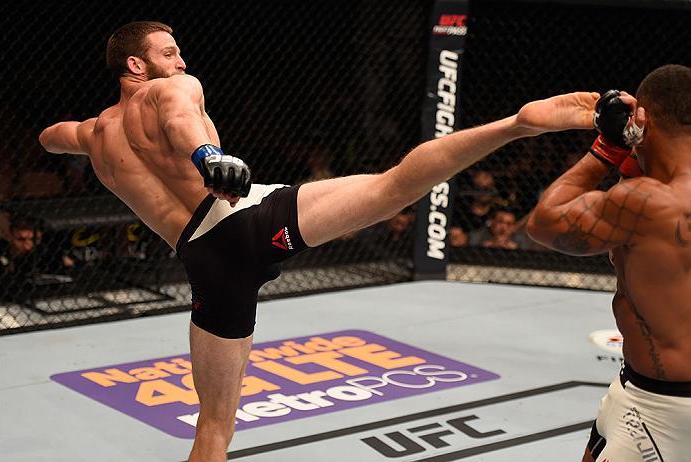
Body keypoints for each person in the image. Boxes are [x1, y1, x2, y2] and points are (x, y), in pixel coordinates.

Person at [38, 21, 599, 461]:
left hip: (205, 262)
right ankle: (517, 125)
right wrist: (208, 156)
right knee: (393, 187)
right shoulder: (172, 90)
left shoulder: (94, 134)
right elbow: (183, 117)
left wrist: (79, 138)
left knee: (214, 427)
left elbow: (50, 138)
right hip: (238, 222)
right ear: (137, 64)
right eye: (169, 52)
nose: (181, 61)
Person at [526, 64, 691, 461]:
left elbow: (544, 222)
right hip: (640, 387)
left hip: (665, 407)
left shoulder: (647, 203)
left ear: (643, 118)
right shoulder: (654, 195)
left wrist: (609, 147)